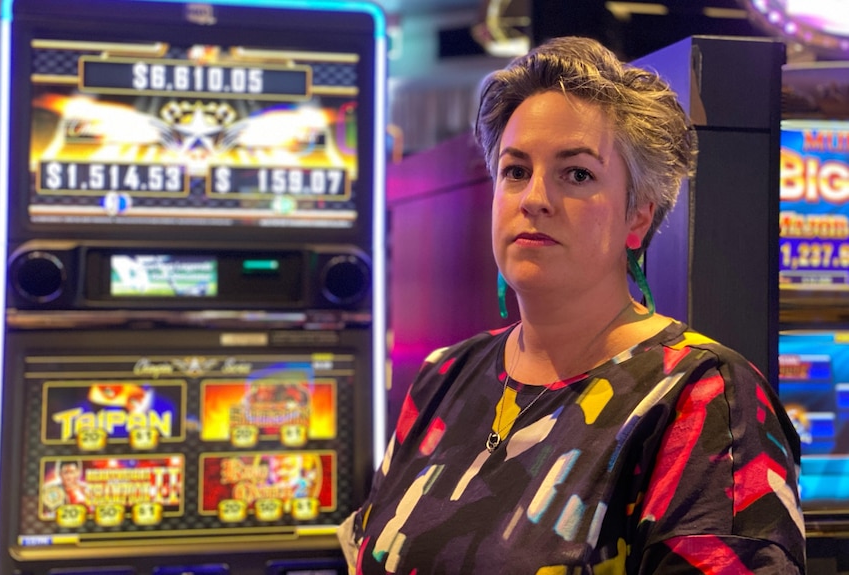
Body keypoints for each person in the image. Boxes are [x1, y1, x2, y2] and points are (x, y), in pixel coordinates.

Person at [338, 36, 806, 573]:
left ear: (638, 215)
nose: (534, 198)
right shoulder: (443, 376)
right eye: (515, 171)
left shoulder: (702, 396)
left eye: (577, 174)